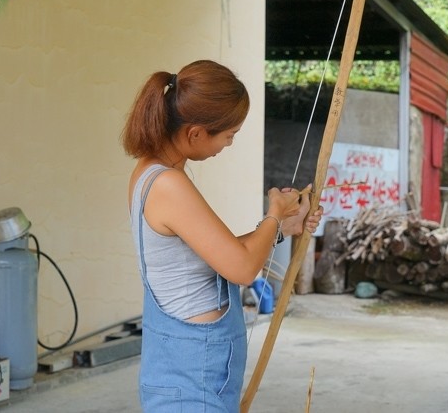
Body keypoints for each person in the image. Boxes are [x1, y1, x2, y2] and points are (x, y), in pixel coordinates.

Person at [121, 59, 323, 412]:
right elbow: (242, 268)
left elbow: (217, 252)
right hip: (192, 373)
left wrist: (282, 228)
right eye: (229, 135)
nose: (228, 144)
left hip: (188, 367)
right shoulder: (168, 184)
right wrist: (274, 213)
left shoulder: (152, 172)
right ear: (196, 133)